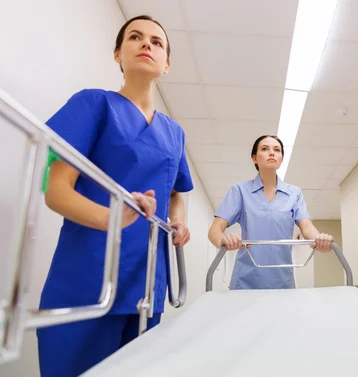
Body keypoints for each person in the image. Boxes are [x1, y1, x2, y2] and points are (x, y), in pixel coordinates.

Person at [37, 15, 194, 376]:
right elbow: (55, 190)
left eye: (157, 42)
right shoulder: (93, 105)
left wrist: (178, 223)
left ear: (166, 64)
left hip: (146, 284)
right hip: (87, 277)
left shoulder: (174, 133)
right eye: (135, 37)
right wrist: (112, 218)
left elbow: (177, 193)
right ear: (117, 55)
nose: (146, 44)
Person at [208, 135, 333, 289]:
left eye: (277, 150)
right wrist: (224, 241)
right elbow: (214, 230)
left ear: (281, 159)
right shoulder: (239, 191)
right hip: (245, 281)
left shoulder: (294, 193)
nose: (271, 153)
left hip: (281, 282)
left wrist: (320, 240)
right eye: (265, 149)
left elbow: (307, 228)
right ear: (254, 158)